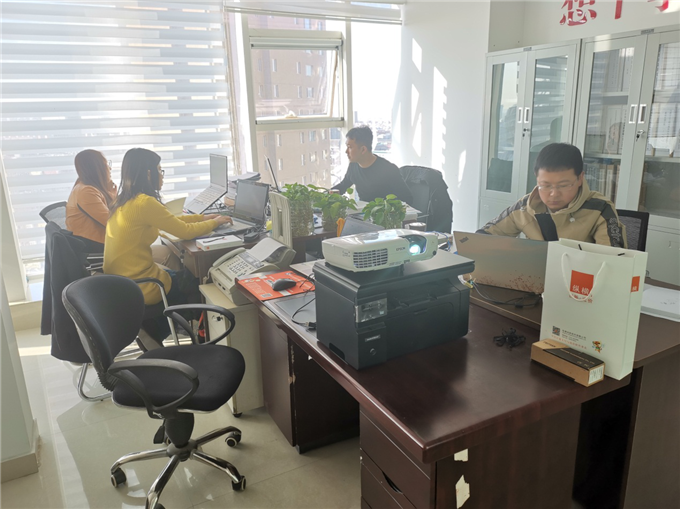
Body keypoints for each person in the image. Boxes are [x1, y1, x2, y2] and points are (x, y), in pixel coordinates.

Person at [104, 148, 233, 341]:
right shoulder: (144, 203)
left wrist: (204, 218)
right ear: (149, 173)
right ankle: (199, 337)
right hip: (143, 285)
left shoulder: (124, 201)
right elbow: (184, 231)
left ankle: (160, 330)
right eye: (160, 170)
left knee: (181, 273)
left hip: (123, 282)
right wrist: (215, 223)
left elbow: (171, 220)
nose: (162, 175)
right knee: (199, 284)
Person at [478, 143, 626, 247]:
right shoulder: (525, 207)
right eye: (545, 185)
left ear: (580, 178)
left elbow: (613, 259)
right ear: (536, 179)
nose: (554, 194)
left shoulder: (599, 208)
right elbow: (483, 237)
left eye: (564, 185)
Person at [333, 126, 413, 205]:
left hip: (383, 212)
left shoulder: (388, 169)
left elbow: (407, 198)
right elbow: (343, 186)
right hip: (362, 211)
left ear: (363, 149)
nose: (346, 151)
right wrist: (327, 194)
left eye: (349, 147)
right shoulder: (353, 165)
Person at [65, 150, 117, 252]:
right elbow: (112, 222)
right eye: (106, 164)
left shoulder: (89, 187)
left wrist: (111, 189)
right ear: (97, 168)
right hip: (93, 247)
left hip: (99, 242)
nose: (110, 168)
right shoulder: (86, 192)